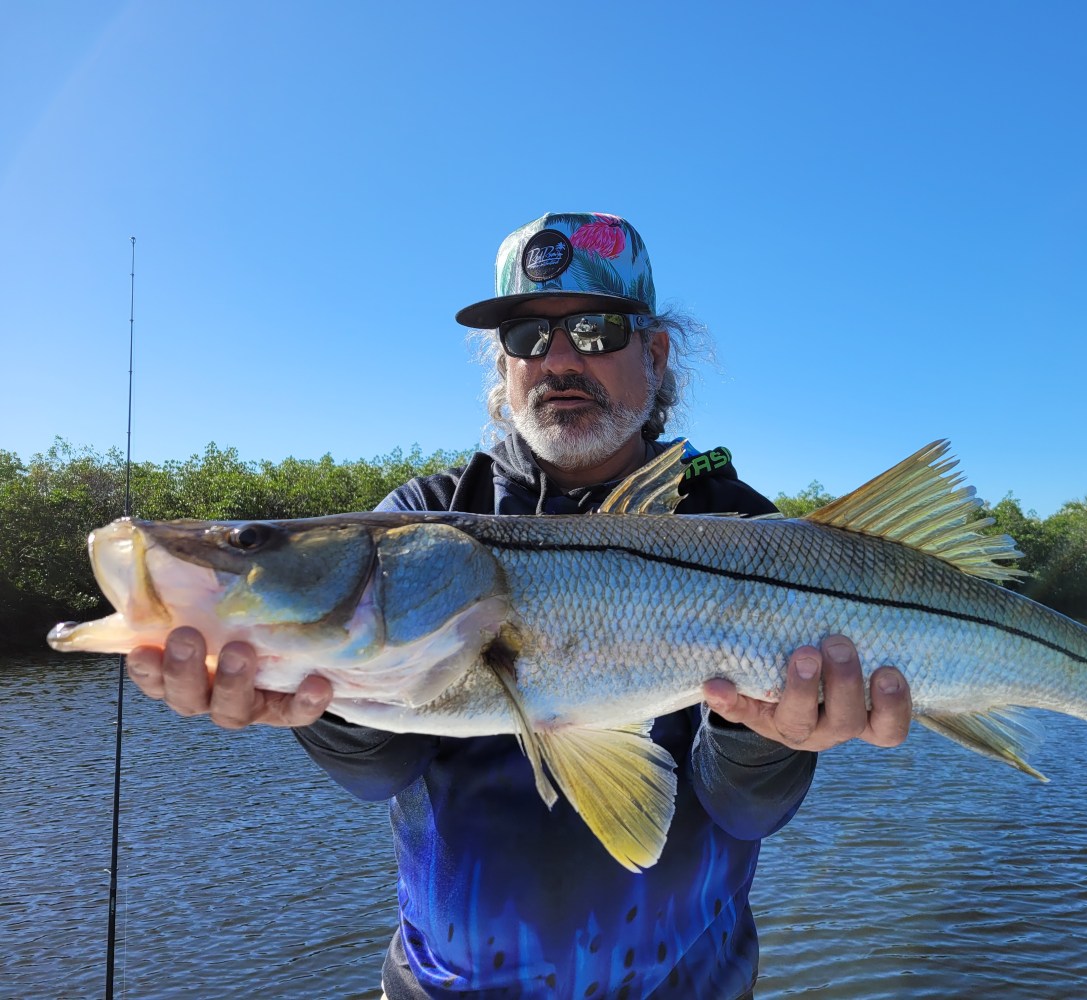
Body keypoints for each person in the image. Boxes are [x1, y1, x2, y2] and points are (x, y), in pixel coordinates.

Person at [127, 212, 912, 999]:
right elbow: (381, 773)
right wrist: (311, 689)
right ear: (501, 368)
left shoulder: (740, 527)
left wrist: (766, 737)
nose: (560, 360)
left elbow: (744, 810)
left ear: (656, 350)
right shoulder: (423, 517)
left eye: (597, 331)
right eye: (527, 339)